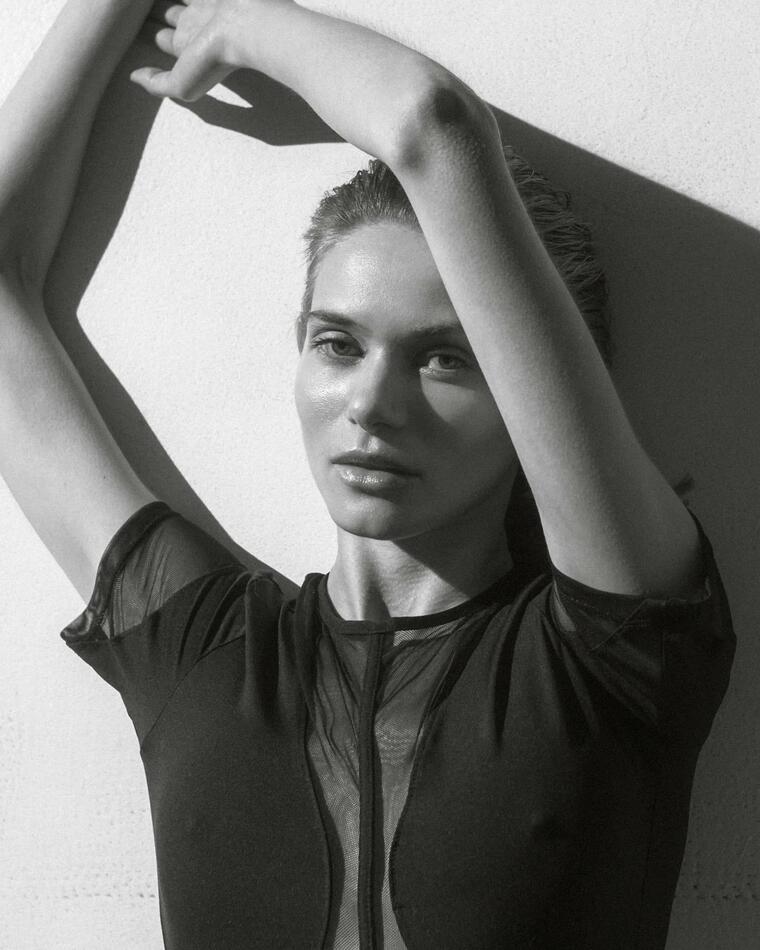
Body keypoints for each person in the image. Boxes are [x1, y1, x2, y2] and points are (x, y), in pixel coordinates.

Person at [0, 1, 736, 948]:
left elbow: (431, 121)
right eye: (338, 344)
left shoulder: (616, 651)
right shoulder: (202, 652)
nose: (372, 404)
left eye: (446, 358)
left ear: (529, 392)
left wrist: (242, 21)